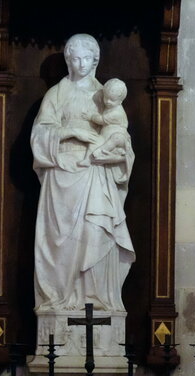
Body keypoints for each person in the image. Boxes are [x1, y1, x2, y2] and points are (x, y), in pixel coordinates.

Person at [30, 34, 134, 314]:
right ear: (68, 61)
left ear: (95, 60)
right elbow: (39, 135)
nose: (81, 64)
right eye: (75, 59)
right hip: (62, 173)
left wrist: (116, 152)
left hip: (95, 172)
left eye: (87, 58)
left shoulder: (106, 95)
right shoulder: (57, 94)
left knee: (96, 232)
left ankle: (94, 298)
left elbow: (120, 135)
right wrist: (72, 131)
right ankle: (61, 298)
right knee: (62, 243)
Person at [78, 77, 129, 167]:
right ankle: (87, 160)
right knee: (93, 141)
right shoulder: (110, 106)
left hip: (119, 138)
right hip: (105, 136)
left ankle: (99, 151)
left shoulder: (117, 113)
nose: (108, 102)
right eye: (106, 98)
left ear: (120, 102)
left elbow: (101, 120)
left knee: (115, 138)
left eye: (112, 100)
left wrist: (91, 116)